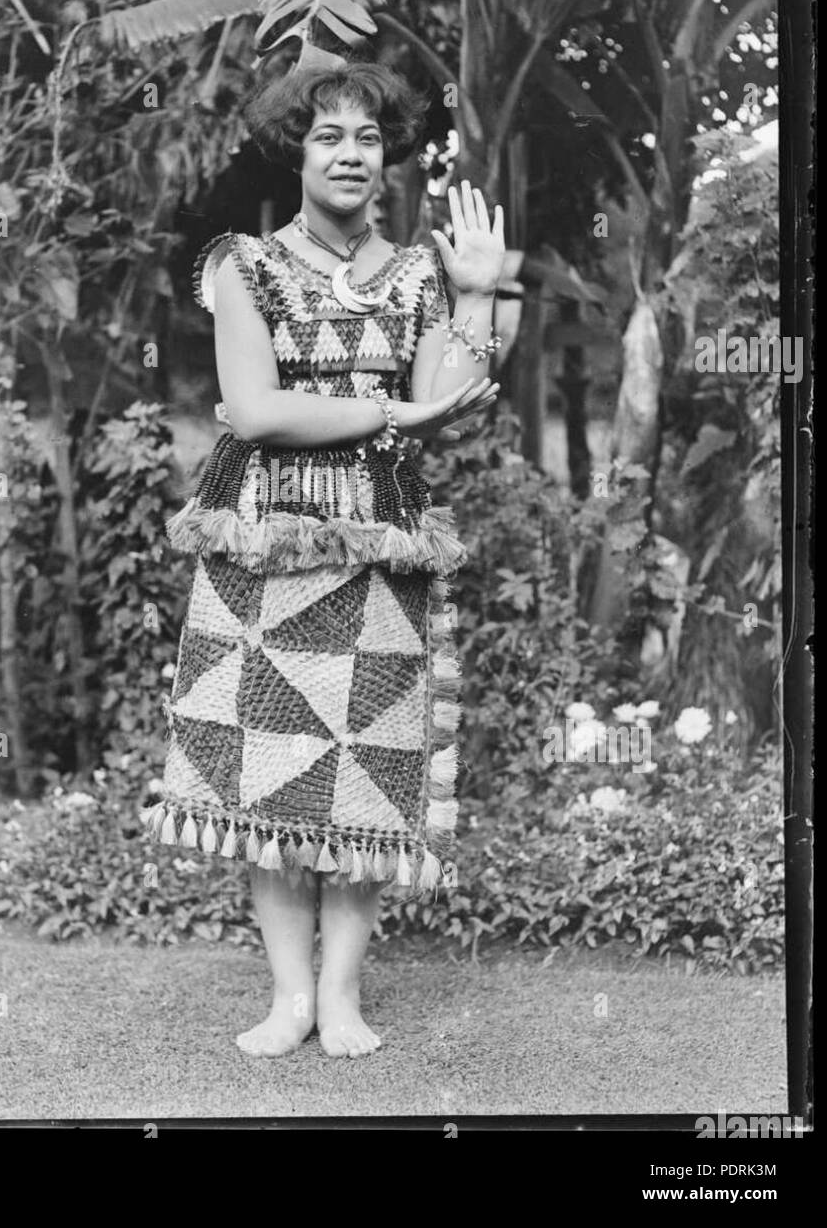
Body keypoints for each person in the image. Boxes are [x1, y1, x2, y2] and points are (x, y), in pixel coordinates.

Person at [141, 59, 506, 1058]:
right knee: (266, 766)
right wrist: (387, 409)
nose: (349, 154)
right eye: (326, 136)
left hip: (382, 533)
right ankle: (288, 998)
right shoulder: (242, 265)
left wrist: (473, 297)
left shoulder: (422, 271)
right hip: (261, 535)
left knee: (365, 771)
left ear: (388, 155)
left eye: (366, 138)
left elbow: (448, 399)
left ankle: (340, 997)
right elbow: (254, 410)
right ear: (294, 150)